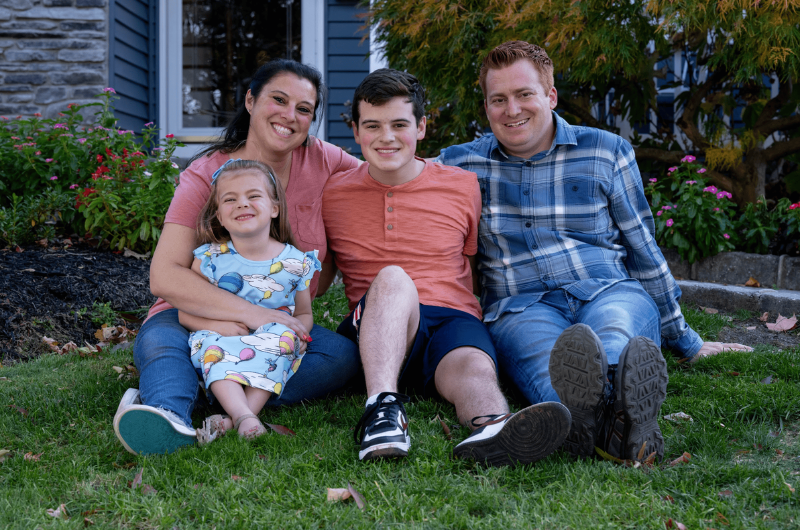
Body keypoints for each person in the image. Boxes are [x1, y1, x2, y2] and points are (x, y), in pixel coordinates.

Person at [436, 41, 752, 462]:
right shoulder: (458, 164)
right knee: (550, 367)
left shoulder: (606, 150)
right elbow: (394, 162)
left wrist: (685, 339)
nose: (512, 110)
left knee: (616, 334)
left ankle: (597, 416)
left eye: (524, 94)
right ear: (487, 106)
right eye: (499, 99)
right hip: (520, 307)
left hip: (608, 289)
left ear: (550, 96)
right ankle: (620, 423)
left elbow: (642, 248)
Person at [321, 68, 570, 467]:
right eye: (372, 126)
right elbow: (318, 281)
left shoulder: (461, 185)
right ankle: (382, 412)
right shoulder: (333, 193)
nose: (387, 137)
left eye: (399, 124)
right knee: (393, 278)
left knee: (475, 369)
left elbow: (468, 265)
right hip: (379, 327)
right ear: (355, 131)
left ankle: (495, 429)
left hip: (451, 318)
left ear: (421, 127)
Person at [113, 59, 360, 455]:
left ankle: (214, 396)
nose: (289, 116)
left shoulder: (323, 159)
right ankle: (167, 414)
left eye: (303, 109)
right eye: (278, 100)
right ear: (250, 101)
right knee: (164, 344)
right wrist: (252, 315)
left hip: (276, 326)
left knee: (340, 355)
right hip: (193, 316)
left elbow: (383, 171)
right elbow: (165, 277)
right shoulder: (208, 175)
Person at [179, 159, 320, 441]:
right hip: (222, 336)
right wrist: (219, 327)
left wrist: (299, 331)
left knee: (283, 340)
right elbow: (185, 314)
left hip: (272, 341)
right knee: (213, 346)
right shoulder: (210, 259)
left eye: (253, 196)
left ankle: (240, 418)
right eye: (230, 199)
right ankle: (244, 417)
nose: (242, 204)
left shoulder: (295, 262)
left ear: (274, 208)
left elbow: (304, 313)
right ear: (219, 216)